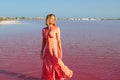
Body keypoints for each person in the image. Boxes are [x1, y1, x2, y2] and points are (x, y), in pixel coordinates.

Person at [40, 14, 73, 80]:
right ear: (48, 19)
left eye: (54, 19)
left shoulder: (56, 28)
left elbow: (59, 41)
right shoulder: (44, 29)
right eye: (52, 18)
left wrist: (60, 51)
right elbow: (44, 41)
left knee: (58, 65)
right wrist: (42, 51)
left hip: (54, 51)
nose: (54, 20)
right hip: (47, 51)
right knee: (48, 67)